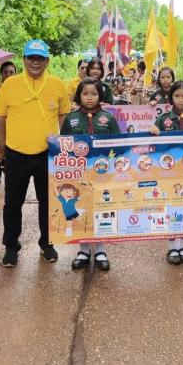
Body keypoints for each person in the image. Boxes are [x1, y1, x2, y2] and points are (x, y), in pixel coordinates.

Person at [0, 39, 71, 268]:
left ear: (47, 61)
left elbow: (64, 113)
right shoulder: (11, 84)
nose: (35, 62)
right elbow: (0, 115)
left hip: (47, 155)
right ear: (24, 60)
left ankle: (47, 243)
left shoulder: (57, 84)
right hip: (16, 154)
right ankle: (11, 247)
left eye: (40, 58)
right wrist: (2, 146)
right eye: (31, 58)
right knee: (12, 203)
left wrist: (59, 141)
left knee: (48, 202)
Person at [61, 77, 121, 271]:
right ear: (78, 95)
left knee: (102, 208)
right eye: (85, 93)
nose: (89, 97)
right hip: (78, 174)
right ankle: (83, 250)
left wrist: (109, 163)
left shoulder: (108, 118)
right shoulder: (71, 118)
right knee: (81, 208)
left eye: (94, 94)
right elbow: (63, 144)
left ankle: (101, 250)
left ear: (100, 95)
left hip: (103, 174)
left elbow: (118, 145)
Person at [149, 80, 183, 266]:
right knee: (171, 205)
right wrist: (153, 131)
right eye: (177, 96)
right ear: (171, 97)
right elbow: (153, 144)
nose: (180, 100)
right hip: (168, 172)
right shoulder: (163, 119)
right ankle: (172, 246)